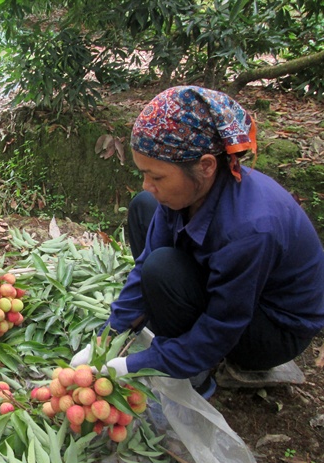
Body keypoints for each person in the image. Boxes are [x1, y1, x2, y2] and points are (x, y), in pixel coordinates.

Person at [72, 86, 324, 398]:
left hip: (270, 329)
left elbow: (224, 322)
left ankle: (195, 371)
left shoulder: (251, 229)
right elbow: (144, 263)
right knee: (144, 207)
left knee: (162, 270)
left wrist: (136, 364)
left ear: (205, 166)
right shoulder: (194, 190)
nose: (147, 184)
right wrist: (106, 335)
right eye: (143, 173)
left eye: (158, 177)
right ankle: (171, 334)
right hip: (235, 290)